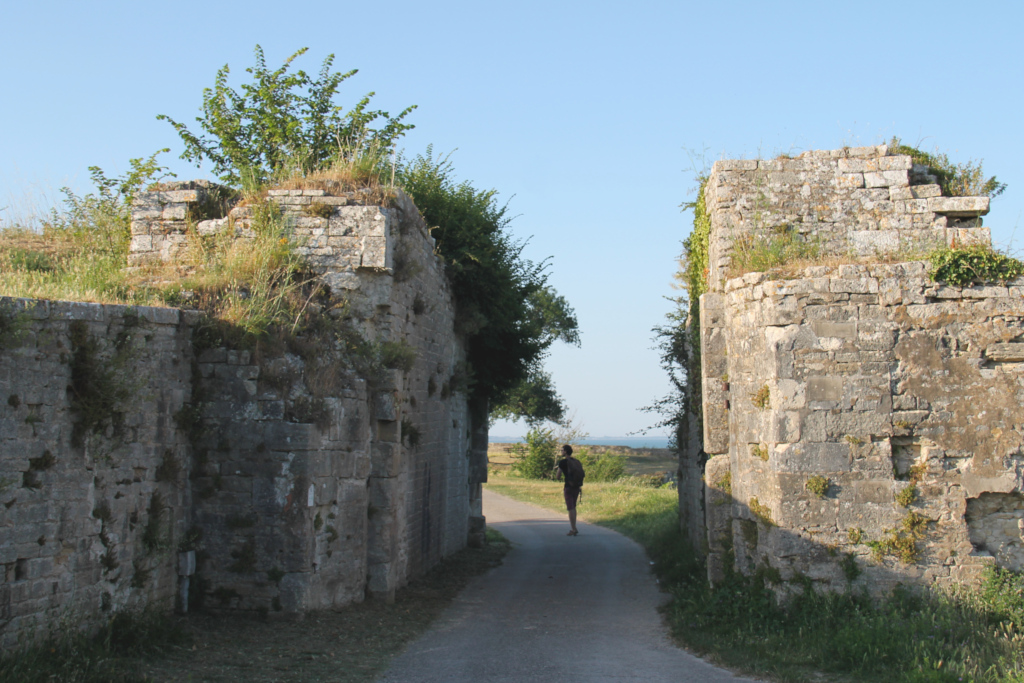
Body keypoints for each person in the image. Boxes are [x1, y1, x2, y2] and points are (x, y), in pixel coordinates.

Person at [554, 445, 583, 536]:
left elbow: (558, 476)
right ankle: (574, 527)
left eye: (562, 450)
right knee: (573, 506)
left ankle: (573, 529)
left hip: (568, 487)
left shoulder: (563, 462)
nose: (561, 451)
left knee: (570, 508)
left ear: (566, 451)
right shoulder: (576, 461)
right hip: (576, 486)